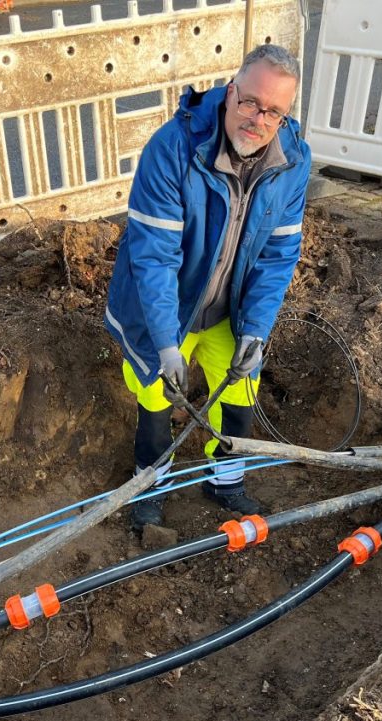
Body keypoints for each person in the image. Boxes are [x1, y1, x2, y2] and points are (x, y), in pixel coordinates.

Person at [104, 44, 311, 531]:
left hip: (228, 307)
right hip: (167, 307)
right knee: (156, 395)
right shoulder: (174, 149)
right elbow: (153, 257)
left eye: (274, 111)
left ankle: (225, 479)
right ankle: (151, 486)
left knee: (239, 391)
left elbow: (278, 256)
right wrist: (166, 345)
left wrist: (256, 330)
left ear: (285, 116)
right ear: (230, 90)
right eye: (250, 102)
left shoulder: (293, 162)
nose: (258, 119)